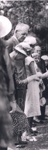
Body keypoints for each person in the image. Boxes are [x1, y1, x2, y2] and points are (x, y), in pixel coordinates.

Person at [0, 15, 14, 150]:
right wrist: (12, 97)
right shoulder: (3, 47)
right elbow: (9, 72)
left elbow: (8, 71)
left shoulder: (3, 47)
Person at [32, 46, 47, 122]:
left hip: (41, 82)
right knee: (35, 99)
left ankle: (40, 116)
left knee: (41, 98)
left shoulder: (41, 62)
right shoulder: (32, 63)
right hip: (35, 83)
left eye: (40, 51)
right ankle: (35, 117)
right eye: (37, 50)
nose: (39, 52)